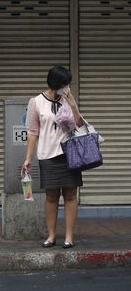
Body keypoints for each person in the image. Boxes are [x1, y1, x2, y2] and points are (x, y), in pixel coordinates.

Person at [22, 66, 84, 249]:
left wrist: (72, 105)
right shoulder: (36, 102)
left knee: (71, 195)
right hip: (47, 154)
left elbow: (80, 124)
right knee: (51, 196)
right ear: (56, 84)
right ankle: (51, 236)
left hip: (69, 153)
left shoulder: (67, 100)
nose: (67, 87)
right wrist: (28, 158)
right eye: (65, 84)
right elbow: (33, 132)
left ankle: (69, 237)